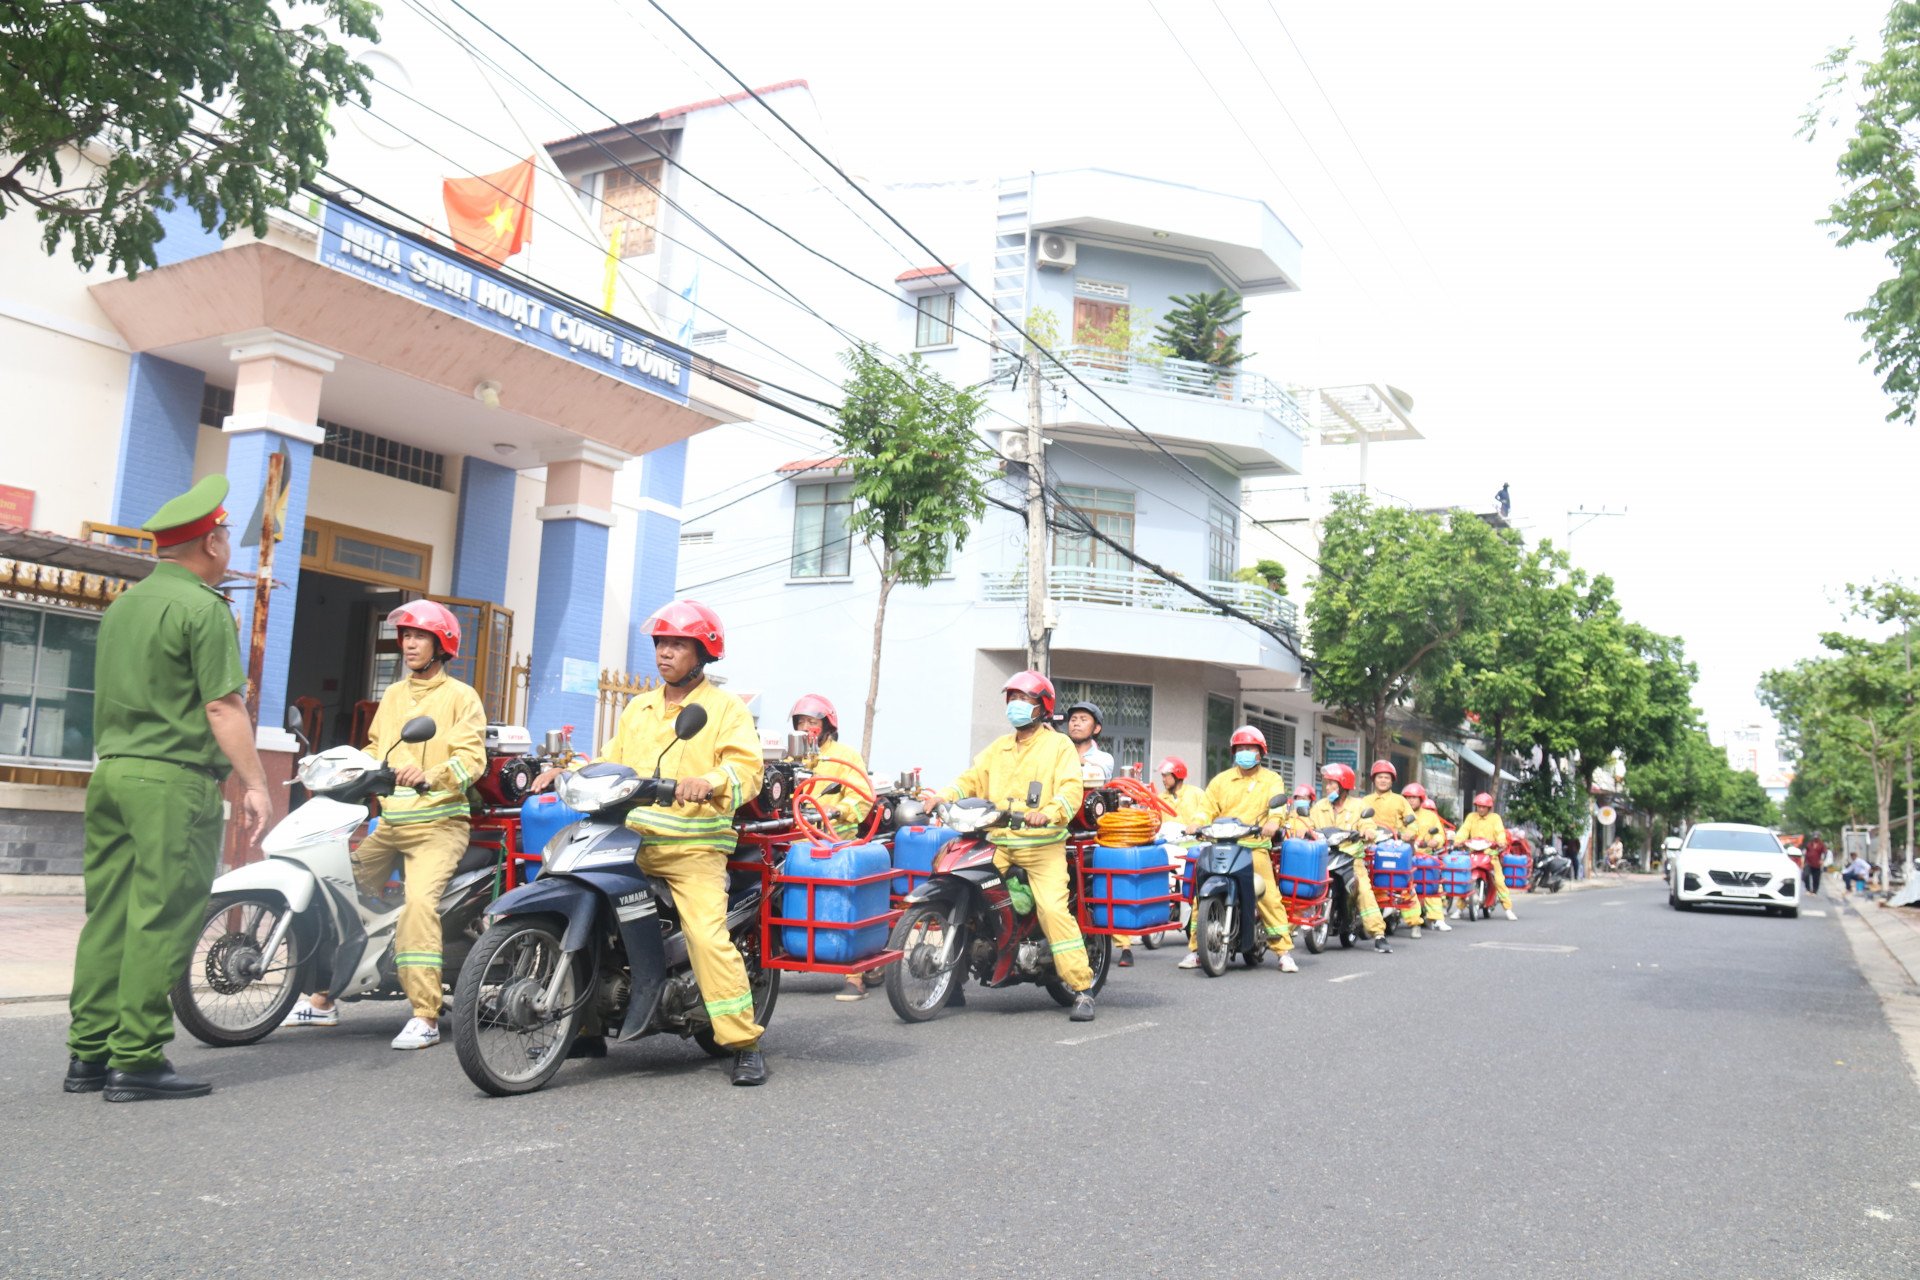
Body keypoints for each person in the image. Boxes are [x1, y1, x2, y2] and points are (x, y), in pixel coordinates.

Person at [66, 475, 272, 1102]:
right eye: (225, 536)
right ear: (211, 542)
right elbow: (222, 708)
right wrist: (256, 783)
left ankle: (89, 1055)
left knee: (108, 916)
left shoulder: (125, 605)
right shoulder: (202, 608)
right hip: (171, 782)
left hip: (114, 775)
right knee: (162, 916)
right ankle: (137, 1058)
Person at [565, 600, 770, 1085]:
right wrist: (571, 771)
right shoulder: (639, 707)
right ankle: (586, 1024)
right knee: (586, 908)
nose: (664, 653)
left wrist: (713, 781)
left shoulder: (725, 710)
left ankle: (742, 1041)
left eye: (677, 644)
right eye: (660, 643)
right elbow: (611, 760)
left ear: (702, 652)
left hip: (692, 847)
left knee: (705, 935)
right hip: (629, 838)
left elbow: (749, 772)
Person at [282, 601, 486, 1049]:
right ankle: (322, 997)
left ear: (441, 644)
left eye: (419, 636)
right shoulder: (394, 695)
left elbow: (472, 759)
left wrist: (430, 775)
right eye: (406, 636)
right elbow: (376, 748)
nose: (409, 644)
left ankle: (425, 1014)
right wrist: (340, 767)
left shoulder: (460, 696)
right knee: (337, 888)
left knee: (418, 905)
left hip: (439, 824)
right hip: (391, 823)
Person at [926, 671, 1095, 1021]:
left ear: (1043, 706)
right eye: (1012, 698)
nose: (1016, 705)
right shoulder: (999, 748)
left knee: (1051, 909)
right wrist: (942, 796)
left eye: (1024, 699)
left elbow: (1070, 790)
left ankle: (1081, 988)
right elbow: (970, 780)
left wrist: (1048, 813)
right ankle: (952, 979)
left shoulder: (1059, 746)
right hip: (1000, 841)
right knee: (960, 887)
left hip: (1042, 846)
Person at [1176, 727, 1299, 972]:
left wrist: (1274, 822)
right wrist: (1196, 823)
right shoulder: (1221, 780)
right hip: (1220, 845)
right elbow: (1206, 808)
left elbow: (1277, 806)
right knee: (1201, 896)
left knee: (1267, 896)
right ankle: (1196, 950)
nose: (1245, 753)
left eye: (1250, 748)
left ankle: (1283, 952)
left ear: (1260, 752)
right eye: (1240, 749)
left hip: (1254, 846)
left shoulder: (1271, 779)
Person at [789, 694, 879, 1002]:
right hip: (796, 842)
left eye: (812, 722)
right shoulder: (792, 757)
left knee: (841, 900)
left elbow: (863, 795)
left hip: (836, 841)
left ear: (827, 725)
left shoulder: (845, 756)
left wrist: (841, 811)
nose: (806, 727)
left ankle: (853, 975)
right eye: (801, 722)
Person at [1308, 762, 1391, 952]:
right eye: (1326, 783)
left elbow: (1367, 823)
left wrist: (1368, 831)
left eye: (1331, 783)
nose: (1327, 787)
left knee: (1363, 889)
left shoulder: (1359, 805)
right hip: (1325, 856)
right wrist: (1301, 829)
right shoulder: (1320, 806)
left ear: (1344, 785)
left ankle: (1379, 934)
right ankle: (1288, 929)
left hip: (1351, 859)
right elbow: (1307, 823)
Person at [1356, 759, 1422, 937]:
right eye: (1379, 777)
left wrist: (1409, 833)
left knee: (1402, 883)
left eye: (1386, 777)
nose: (1383, 780)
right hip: (1368, 846)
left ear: (1392, 780)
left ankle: (1415, 922)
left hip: (1392, 845)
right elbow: (1356, 820)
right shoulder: (1365, 800)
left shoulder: (1400, 800)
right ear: (1373, 779)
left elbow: (1412, 822)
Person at [1454, 792, 1518, 920]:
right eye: (1479, 806)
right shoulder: (1471, 817)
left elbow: (1500, 832)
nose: (1481, 809)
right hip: (1473, 854)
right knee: (1466, 879)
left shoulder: (1495, 818)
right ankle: (1459, 909)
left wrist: (1501, 841)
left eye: (1484, 807)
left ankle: (1508, 909)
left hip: (1491, 854)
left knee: (1499, 880)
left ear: (1489, 808)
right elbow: (1464, 830)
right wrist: (1458, 840)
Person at [1401, 784, 1452, 933]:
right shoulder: (1400, 813)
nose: (1410, 801)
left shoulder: (1430, 816)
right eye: (1408, 798)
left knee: (1431, 884)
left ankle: (1438, 918)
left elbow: (1439, 834)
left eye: (1414, 798)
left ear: (1421, 799)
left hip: (1424, 855)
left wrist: (1435, 840)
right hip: (1402, 854)